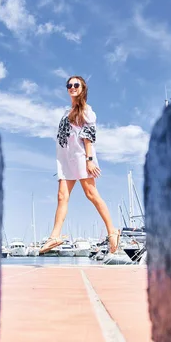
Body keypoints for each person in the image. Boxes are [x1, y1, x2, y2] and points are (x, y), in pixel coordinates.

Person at [39, 75, 121, 255]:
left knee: (91, 194)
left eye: (76, 84)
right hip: (65, 160)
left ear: (83, 88)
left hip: (82, 158)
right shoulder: (66, 113)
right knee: (62, 197)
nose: (72, 87)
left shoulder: (86, 111)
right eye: (69, 85)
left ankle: (112, 230)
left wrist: (89, 160)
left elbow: (88, 136)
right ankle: (54, 236)